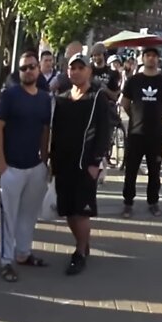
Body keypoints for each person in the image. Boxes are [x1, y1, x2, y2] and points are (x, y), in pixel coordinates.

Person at [50, 52, 115, 276]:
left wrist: (96, 162)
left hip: (86, 165)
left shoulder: (98, 98)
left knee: (82, 212)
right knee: (68, 210)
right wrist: (51, 161)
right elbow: (54, 133)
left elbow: (104, 133)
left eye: (81, 67)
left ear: (89, 71)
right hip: (64, 164)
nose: (76, 71)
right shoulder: (62, 98)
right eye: (72, 68)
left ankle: (80, 252)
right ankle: (82, 243)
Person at [0, 51, 54, 282]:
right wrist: (1, 165)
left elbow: (46, 131)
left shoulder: (44, 98)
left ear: (39, 69)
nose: (28, 71)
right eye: (23, 68)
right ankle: (6, 260)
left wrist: (45, 162)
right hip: (12, 168)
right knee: (8, 218)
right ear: (19, 73)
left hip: (35, 168)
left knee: (28, 216)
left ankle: (23, 253)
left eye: (31, 66)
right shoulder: (9, 96)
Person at [119, 47, 162, 217]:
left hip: (155, 134)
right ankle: (128, 203)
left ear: (158, 60)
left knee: (155, 171)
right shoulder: (134, 81)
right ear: (143, 58)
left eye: (154, 56)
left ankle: (153, 202)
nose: (151, 58)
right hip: (136, 133)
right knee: (131, 171)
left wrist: (154, 118)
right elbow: (126, 104)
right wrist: (136, 118)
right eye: (148, 55)